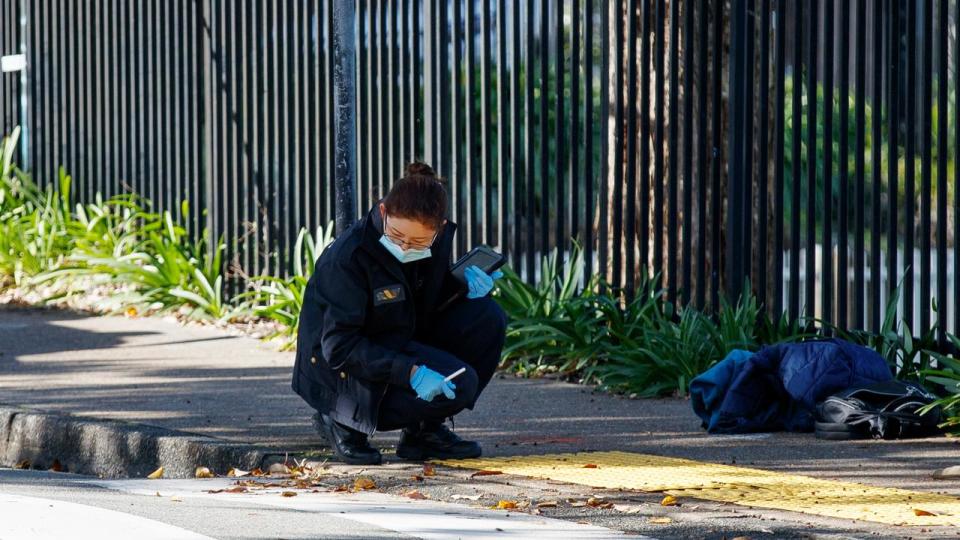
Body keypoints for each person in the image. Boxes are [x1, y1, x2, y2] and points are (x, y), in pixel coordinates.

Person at [292, 161, 508, 465]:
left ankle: (424, 432)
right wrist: (411, 373)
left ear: (439, 229)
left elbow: (421, 304)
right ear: (383, 212)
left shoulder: (433, 245)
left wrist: (463, 291)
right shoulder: (349, 257)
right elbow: (339, 345)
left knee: (487, 318)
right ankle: (341, 422)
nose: (405, 246)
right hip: (341, 367)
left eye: (418, 241)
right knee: (462, 385)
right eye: (396, 235)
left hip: (395, 337)